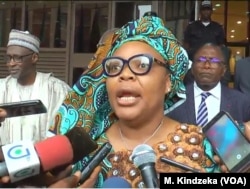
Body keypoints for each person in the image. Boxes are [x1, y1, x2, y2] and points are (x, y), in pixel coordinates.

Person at [49, 15, 223, 188]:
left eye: (141, 64)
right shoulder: (81, 158)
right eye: (115, 67)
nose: (125, 74)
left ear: (168, 83)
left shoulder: (204, 148)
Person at [0, 29, 71, 145]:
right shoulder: (1, 88)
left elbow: (69, 134)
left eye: (18, 58)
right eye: (9, 58)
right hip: (6, 162)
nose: (11, 63)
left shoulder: (57, 90)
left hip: (48, 161)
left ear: (34, 58)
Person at [167, 43, 250, 126]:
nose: (206, 65)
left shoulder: (242, 102)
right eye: (201, 60)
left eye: (214, 61)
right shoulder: (173, 100)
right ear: (192, 68)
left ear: (223, 70)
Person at [183, 0, 229, 85]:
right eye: (204, 9)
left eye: (208, 9)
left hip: (212, 65)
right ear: (200, 11)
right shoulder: (191, 27)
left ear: (211, 11)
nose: (206, 12)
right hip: (194, 65)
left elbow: (221, 48)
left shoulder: (217, 27)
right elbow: (186, 46)